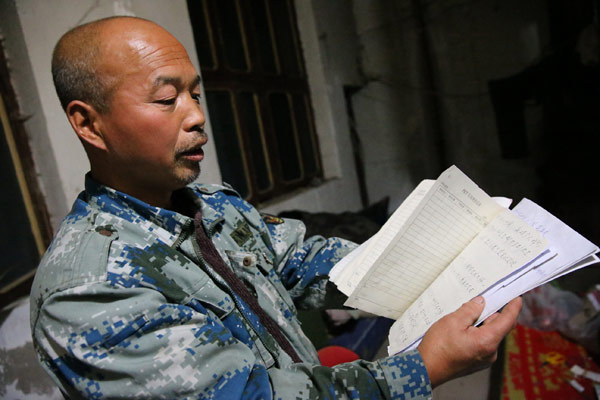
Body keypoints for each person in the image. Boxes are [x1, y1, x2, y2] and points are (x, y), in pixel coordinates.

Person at [30, 16, 522, 399]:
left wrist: (431, 263)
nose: (198, 116)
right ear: (89, 124)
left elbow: (302, 261)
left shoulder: (213, 206)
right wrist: (425, 369)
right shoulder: (90, 291)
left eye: (196, 93)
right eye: (166, 99)